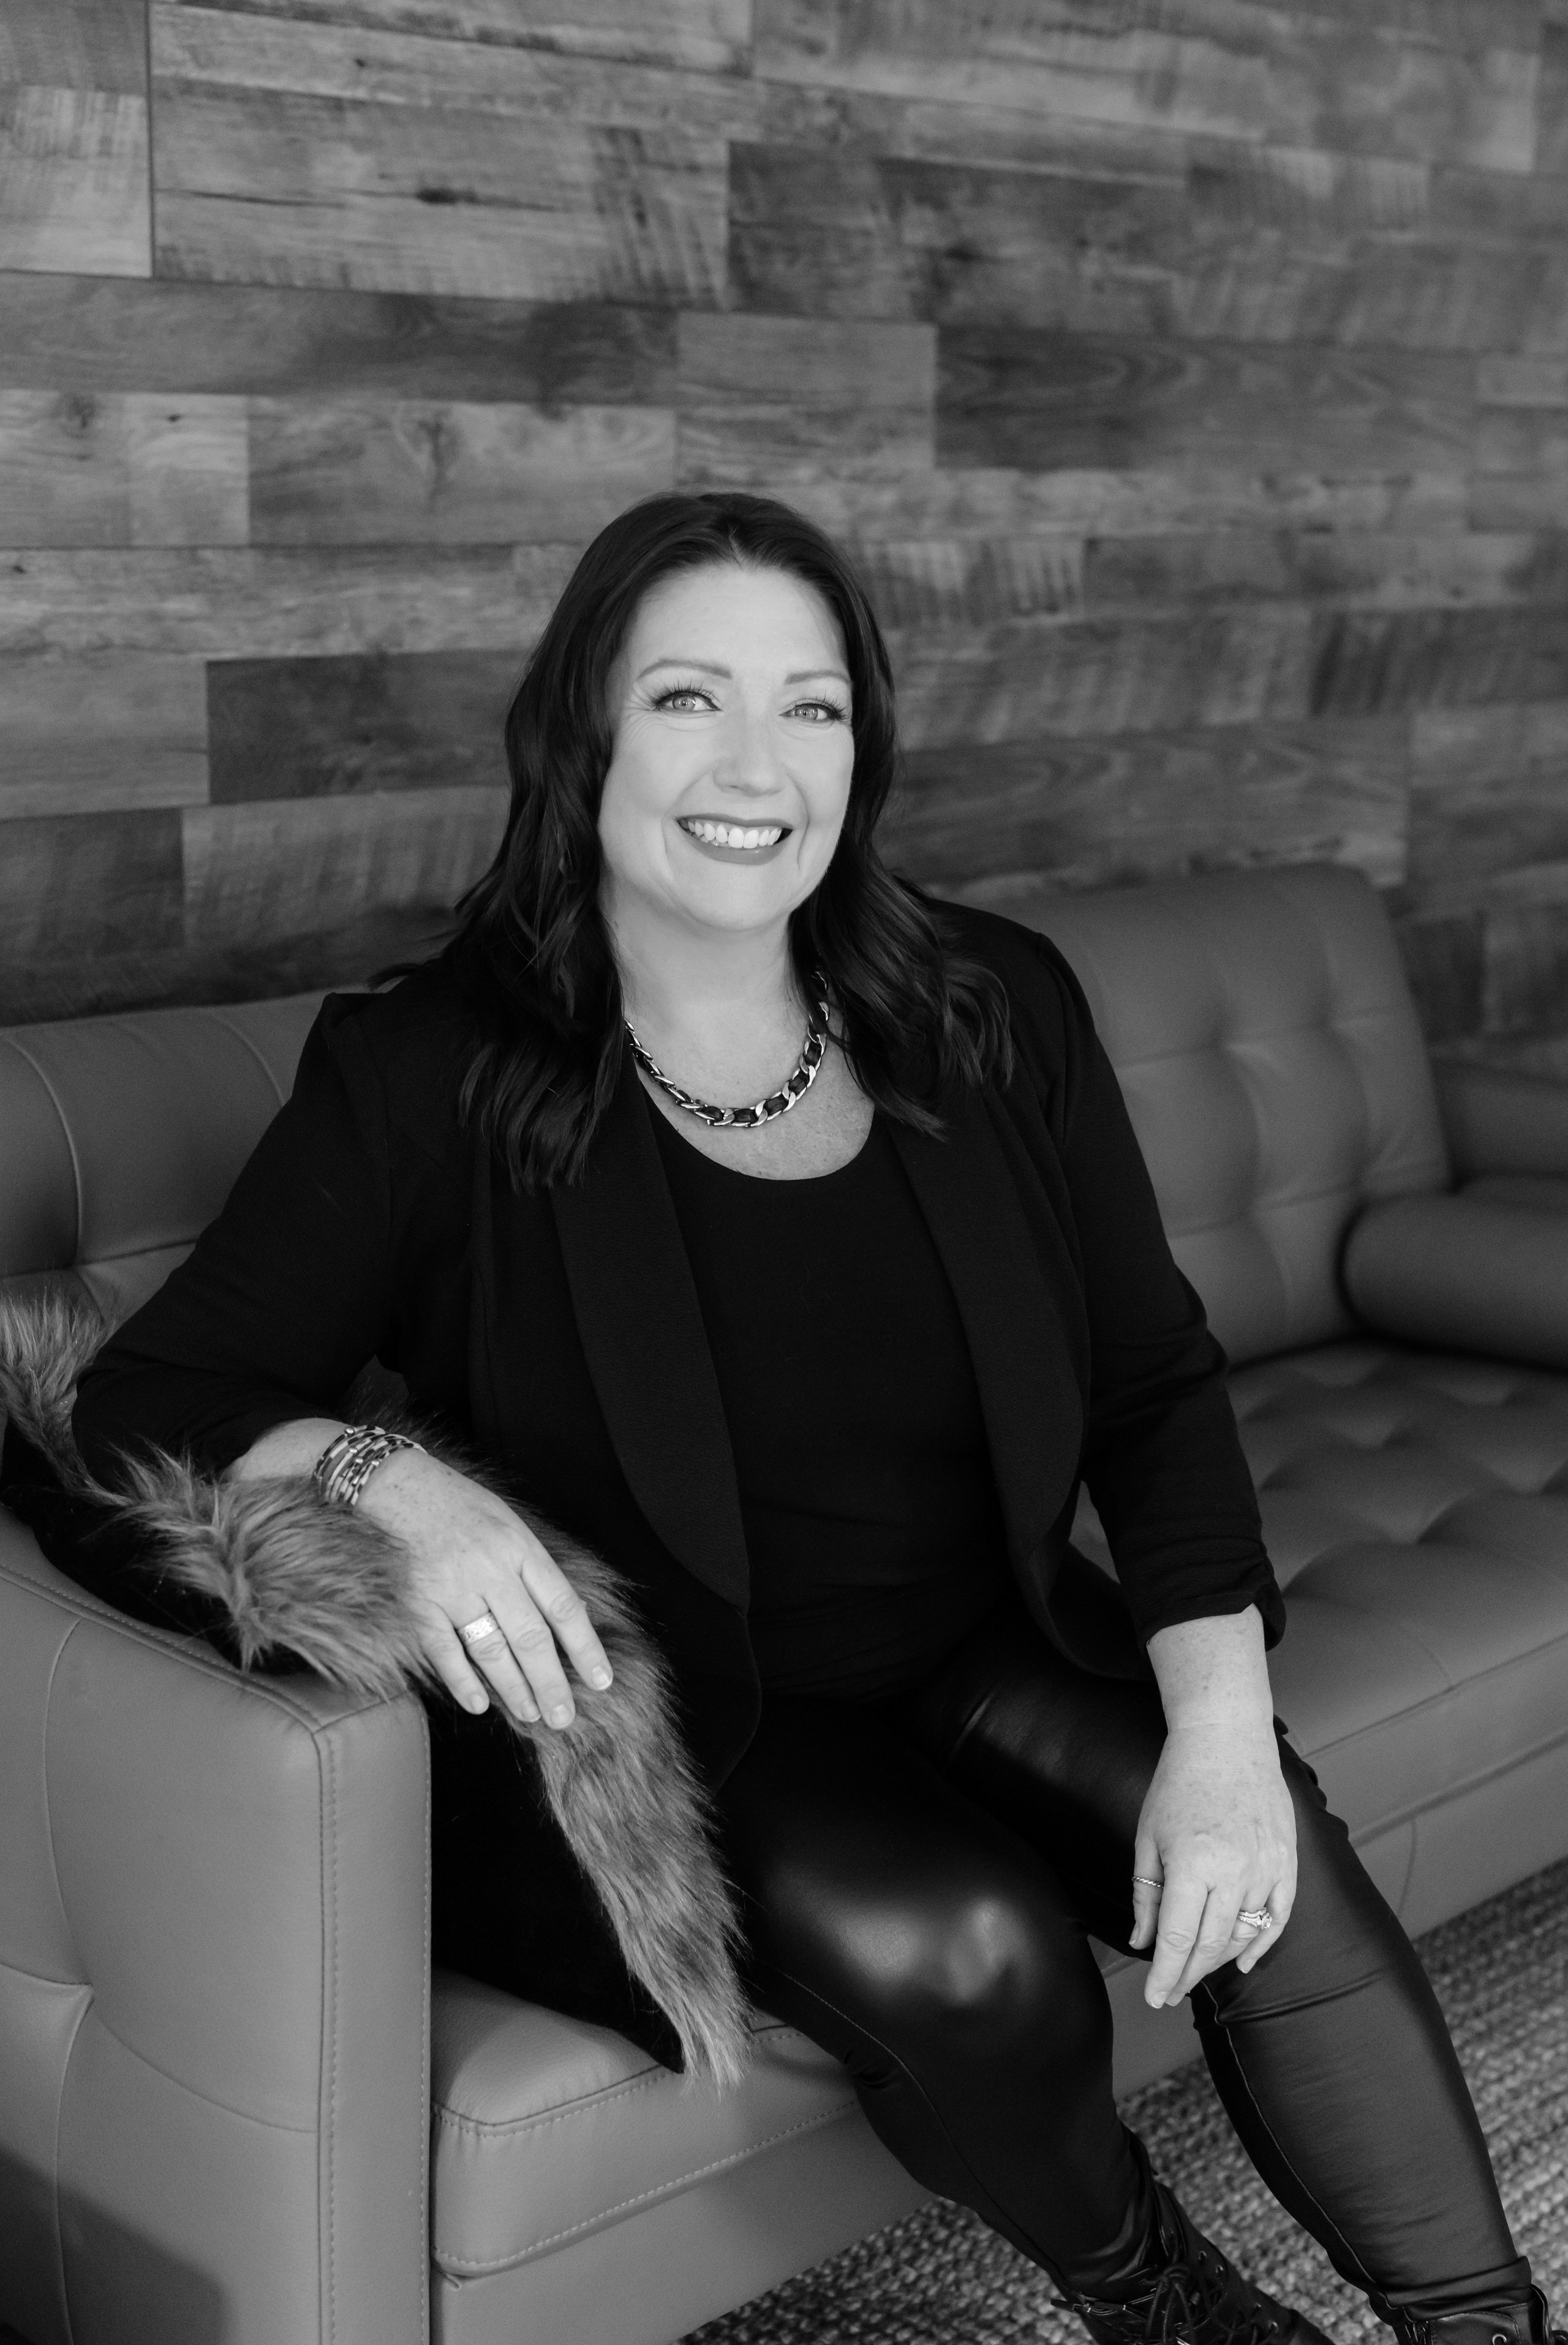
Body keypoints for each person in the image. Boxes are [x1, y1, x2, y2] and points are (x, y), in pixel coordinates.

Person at [69, 493, 1558, 2345]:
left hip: (976, 1630)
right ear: (584, 733)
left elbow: (1150, 1376)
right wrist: (396, 1481)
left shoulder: (992, 1009)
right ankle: (1170, 2309)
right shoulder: (429, 1074)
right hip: (694, 1716)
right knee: (977, 1954)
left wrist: (1224, 1727)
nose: (758, 766)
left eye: (816, 706)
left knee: (1279, 1862)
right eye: (691, 699)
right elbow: (155, 1391)